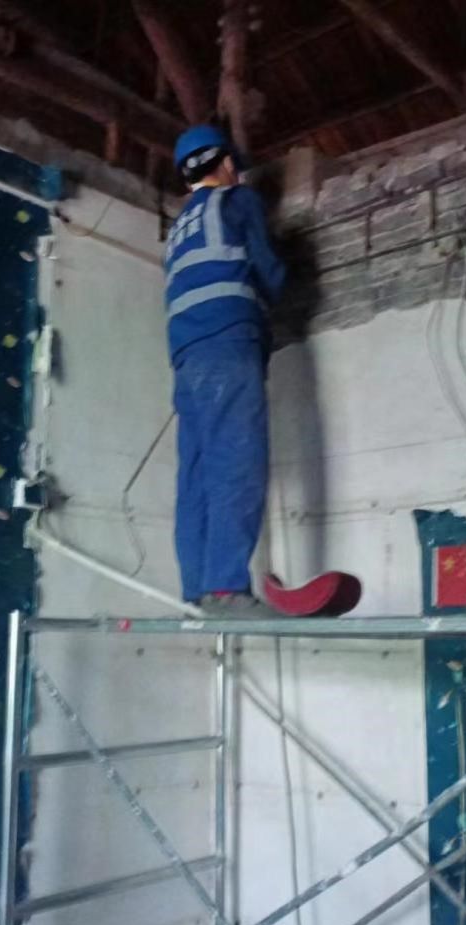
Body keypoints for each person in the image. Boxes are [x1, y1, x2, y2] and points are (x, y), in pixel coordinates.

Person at [165, 125, 286, 618]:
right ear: (227, 164)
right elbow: (271, 274)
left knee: (196, 473)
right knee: (237, 458)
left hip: (186, 355)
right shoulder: (238, 201)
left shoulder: (178, 228)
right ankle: (226, 588)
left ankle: (197, 590)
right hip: (229, 342)